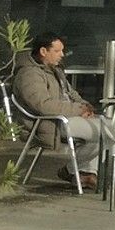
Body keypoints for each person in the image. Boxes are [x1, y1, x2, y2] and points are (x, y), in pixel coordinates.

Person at [11, 32, 103, 191]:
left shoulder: (55, 70)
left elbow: (71, 93)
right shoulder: (29, 74)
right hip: (50, 122)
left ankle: (84, 173)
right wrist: (78, 110)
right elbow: (43, 106)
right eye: (57, 51)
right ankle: (71, 170)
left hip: (66, 116)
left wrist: (85, 106)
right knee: (105, 131)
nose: (62, 55)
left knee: (106, 128)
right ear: (43, 51)